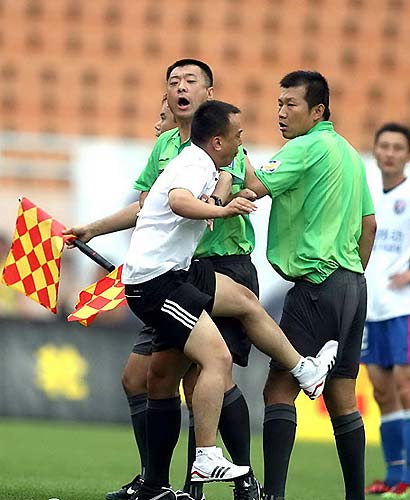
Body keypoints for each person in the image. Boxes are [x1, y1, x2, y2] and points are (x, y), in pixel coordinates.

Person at [121, 99, 338, 500]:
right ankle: (205, 455)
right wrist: (220, 212)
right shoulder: (194, 164)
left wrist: (222, 199)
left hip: (175, 273)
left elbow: (164, 206)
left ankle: (305, 372)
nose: (243, 141)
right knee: (216, 360)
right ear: (218, 140)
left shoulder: (205, 163)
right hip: (157, 283)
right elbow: (177, 202)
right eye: (238, 136)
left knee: (241, 300)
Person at [243, 70, 376, 500]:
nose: (281, 112)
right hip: (353, 285)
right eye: (279, 104)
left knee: (278, 387)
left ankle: (274, 495)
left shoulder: (305, 147)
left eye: (291, 105)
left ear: (317, 110)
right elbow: (369, 225)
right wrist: (350, 274)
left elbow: (253, 187)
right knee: (341, 396)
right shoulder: (350, 154)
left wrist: (226, 146)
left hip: (317, 282)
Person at [361, 123, 410, 499]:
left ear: (406, 155)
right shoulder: (365, 193)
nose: (391, 153)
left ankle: (407, 473)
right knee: (380, 390)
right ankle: (396, 477)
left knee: (405, 388)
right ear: (376, 151)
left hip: (404, 306)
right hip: (371, 304)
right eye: (385, 146)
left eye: (398, 147)